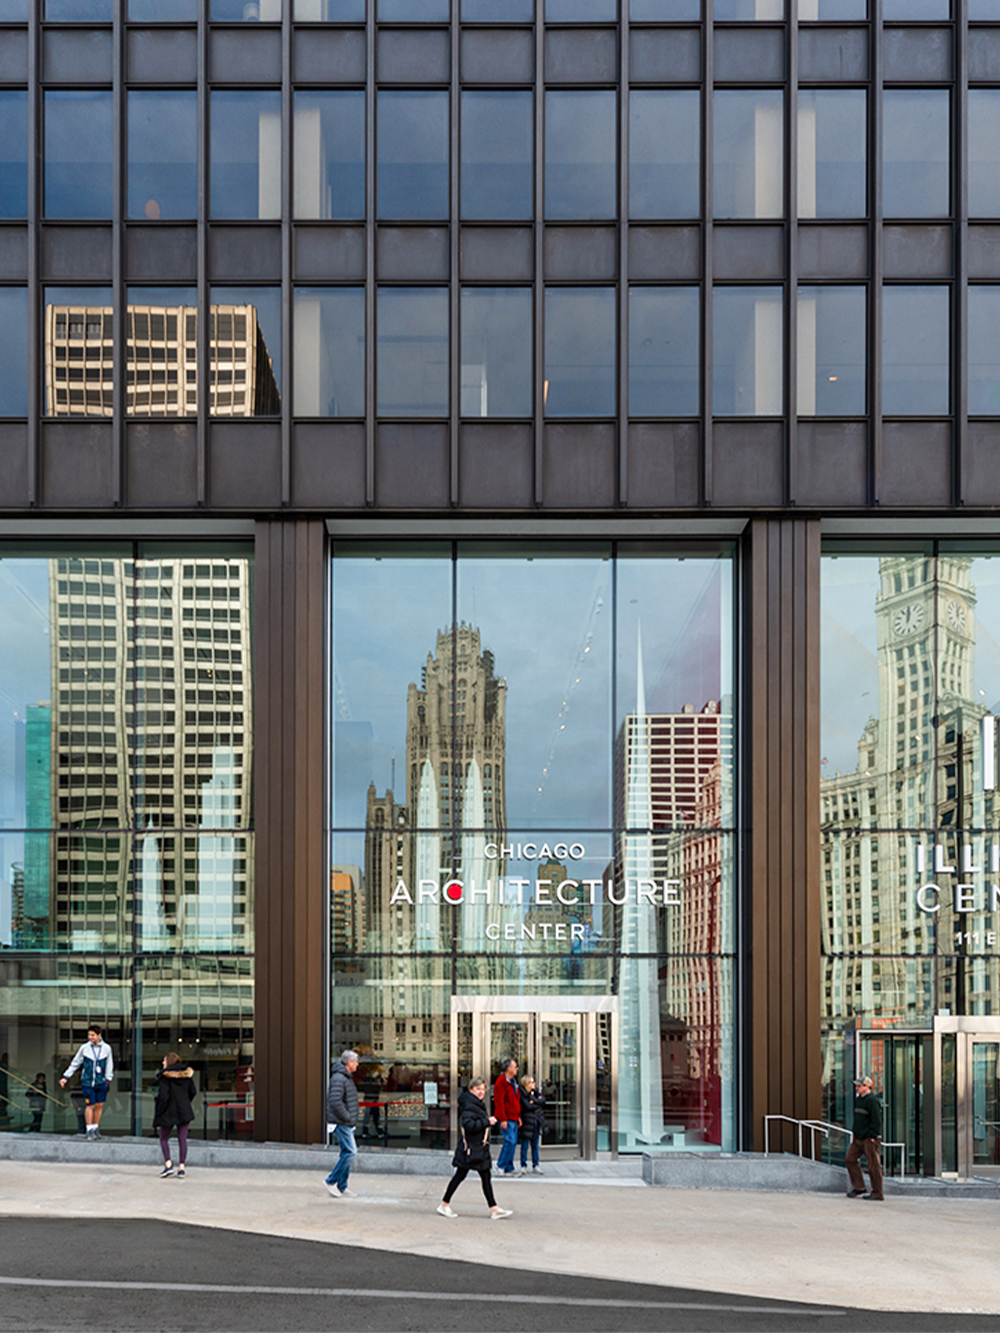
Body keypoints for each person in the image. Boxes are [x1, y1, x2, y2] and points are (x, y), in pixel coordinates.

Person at [436, 1077, 512, 1221]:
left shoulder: (475, 1103)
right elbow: (468, 1125)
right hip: (471, 1148)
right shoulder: (469, 1104)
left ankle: (494, 1208)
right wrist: (487, 1121)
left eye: (483, 1089)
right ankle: (444, 1204)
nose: (481, 1092)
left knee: (484, 1176)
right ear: (471, 1090)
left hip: (477, 1147)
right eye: (478, 1089)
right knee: (461, 1175)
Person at [60, 1026, 114, 1140]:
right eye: (89, 1035)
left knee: (99, 1105)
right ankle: (89, 1129)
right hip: (87, 1082)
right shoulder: (84, 1048)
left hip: (101, 1082)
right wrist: (66, 1076)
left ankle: (95, 1128)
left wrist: (107, 1080)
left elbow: (109, 1064)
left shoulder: (106, 1048)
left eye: (93, 1035)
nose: (90, 1037)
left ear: (99, 1035)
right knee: (89, 1105)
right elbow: (75, 1062)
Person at [153, 1053, 197, 1179]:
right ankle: (181, 1168)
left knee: (163, 1138)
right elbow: (193, 1091)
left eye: (164, 1060)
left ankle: (168, 1165)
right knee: (182, 1139)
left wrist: (160, 1110)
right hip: (184, 1110)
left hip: (168, 1111)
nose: (163, 1063)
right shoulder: (187, 1075)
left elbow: (164, 1096)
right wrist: (185, 1102)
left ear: (169, 1062)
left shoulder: (165, 1076)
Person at [325, 1049, 360, 1199]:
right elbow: (335, 1101)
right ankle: (331, 1181)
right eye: (356, 1062)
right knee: (351, 1152)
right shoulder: (339, 1078)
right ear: (349, 1063)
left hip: (346, 1122)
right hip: (341, 1122)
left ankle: (342, 1186)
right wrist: (347, 1117)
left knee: (346, 1152)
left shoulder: (345, 1077)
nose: (357, 1064)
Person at [845, 1073, 884, 1201]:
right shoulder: (859, 1100)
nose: (856, 1088)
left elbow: (877, 1120)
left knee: (873, 1166)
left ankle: (877, 1193)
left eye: (859, 1086)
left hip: (869, 1139)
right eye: (856, 1086)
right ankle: (859, 1187)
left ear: (867, 1086)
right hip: (858, 1138)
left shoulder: (872, 1101)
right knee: (850, 1159)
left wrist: (872, 1136)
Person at [492, 1057, 520, 1176]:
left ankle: (509, 1167)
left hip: (513, 1117)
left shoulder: (512, 1082)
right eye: (515, 1066)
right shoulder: (501, 1082)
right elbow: (499, 1102)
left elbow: (515, 1100)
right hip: (507, 1117)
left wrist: (518, 1116)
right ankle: (500, 1165)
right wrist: (503, 1119)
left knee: (512, 1143)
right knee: (510, 1141)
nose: (517, 1069)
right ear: (509, 1068)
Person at [517, 1074, 547, 1175]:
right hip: (526, 1122)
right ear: (526, 1084)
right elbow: (527, 1106)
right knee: (525, 1145)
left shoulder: (535, 1092)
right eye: (532, 1082)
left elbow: (543, 1100)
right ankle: (523, 1165)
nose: (534, 1084)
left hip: (535, 1122)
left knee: (535, 1145)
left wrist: (534, 1101)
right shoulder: (522, 1094)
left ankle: (536, 1164)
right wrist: (536, 1103)